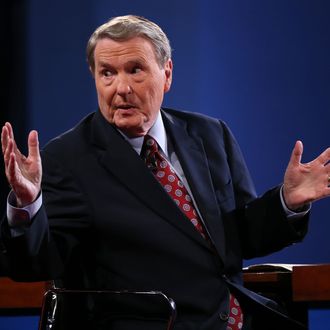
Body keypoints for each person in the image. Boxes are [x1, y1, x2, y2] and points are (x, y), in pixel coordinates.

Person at [1, 15, 330, 330]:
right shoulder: (67, 158)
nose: (121, 88)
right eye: (107, 73)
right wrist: (27, 207)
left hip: (237, 319)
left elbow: (240, 236)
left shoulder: (210, 134)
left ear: (167, 73)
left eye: (135, 70)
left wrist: (287, 201)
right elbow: (37, 262)